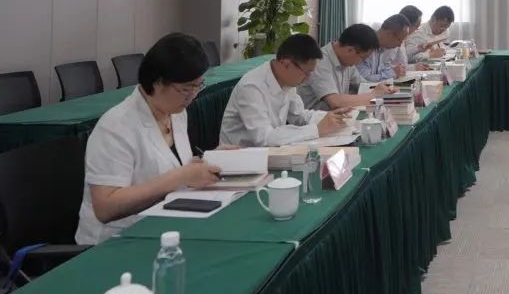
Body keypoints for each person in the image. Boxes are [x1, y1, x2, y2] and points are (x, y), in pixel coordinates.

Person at [76, 33, 222, 245]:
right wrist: (180, 177)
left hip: (165, 227)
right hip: (116, 242)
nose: (192, 96)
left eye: (198, 86)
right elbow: (105, 207)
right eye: (185, 88)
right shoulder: (116, 126)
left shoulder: (176, 113)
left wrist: (213, 160)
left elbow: (174, 167)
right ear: (158, 82)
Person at [219, 34, 349, 146]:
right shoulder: (252, 87)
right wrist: (316, 129)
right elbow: (264, 138)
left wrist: (330, 117)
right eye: (306, 73)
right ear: (286, 64)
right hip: (241, 158)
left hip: (270, 152)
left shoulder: (287, 80)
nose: (307, 78)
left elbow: (299, 115)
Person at [298, 24, 394, 111]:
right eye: (363, 58)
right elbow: (335, 102)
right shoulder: (319, 62)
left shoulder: (347, 62)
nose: (361, 62)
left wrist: (385, 88)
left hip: (336, 117)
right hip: (315, 121)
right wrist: (374, 94)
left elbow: (363, 85)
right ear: (350, 50)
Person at [357, 14, 411, 81]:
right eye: (399, 40)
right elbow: (364, 80)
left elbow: (385, 70)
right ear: (389, 34)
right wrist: (392, 73)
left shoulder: (387, 47)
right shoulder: (364, 43)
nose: (399, 45)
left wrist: (395, 70)